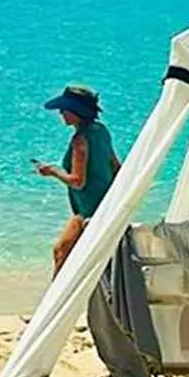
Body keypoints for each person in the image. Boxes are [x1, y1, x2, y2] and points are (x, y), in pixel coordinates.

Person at [35, 84, 118, 274]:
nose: (61, 113)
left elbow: (77, 182)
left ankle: (58, 293)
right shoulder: (101, 131)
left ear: (77, 111)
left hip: (88, 210)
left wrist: (53, 170)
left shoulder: (80, 140)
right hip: (100, 205)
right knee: (62, 251)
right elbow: (115, 166)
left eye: (64, 109)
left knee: (61, 253)